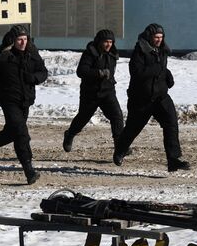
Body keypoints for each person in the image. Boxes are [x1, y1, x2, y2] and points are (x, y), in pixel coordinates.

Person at [113, 23, 189, 172]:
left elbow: (161, 67)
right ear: (149, 37)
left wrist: (167, 74)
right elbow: (138, 72)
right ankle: (120, 150)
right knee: (133, 128)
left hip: (161, 96)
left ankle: (173, 160)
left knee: (171, 124)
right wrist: (159, 69)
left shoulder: (162, 50)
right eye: (156, 37)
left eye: (161, 37)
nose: (159, 40)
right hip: (141, 98)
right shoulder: (139, 51)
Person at [0, 25, 48, 184]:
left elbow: (43, 72)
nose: (23, 43)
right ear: (13, 41)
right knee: (22, 133)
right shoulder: (3, 56)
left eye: (25, 39)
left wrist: (35, 78)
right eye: (19, 40)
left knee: (13, 132)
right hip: (8, 100)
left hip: (25, 100)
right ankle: (29, 171)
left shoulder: (32, 53)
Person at [63, 29, 124, 153]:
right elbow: (81, 71)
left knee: (117, 116)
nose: (109, 45)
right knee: (83, 118)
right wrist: (99, 73)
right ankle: (69, 134)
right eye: (106, 42)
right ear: (99, 42)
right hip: (90, 92)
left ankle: (120, 146)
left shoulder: (112, 54)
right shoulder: (90, 53)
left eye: (111, 42)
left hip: (108, 92)